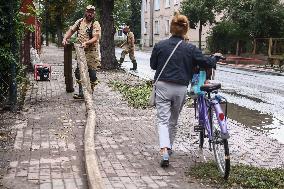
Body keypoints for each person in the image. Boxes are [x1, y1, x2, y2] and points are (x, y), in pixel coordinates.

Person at [150, 13, 222, 167]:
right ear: (185, 29)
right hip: (180, 88)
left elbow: (153, 66)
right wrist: (215, 57)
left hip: (162, 85)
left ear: (171, 28)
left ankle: (164, 150)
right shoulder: (191, 48)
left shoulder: (159, 45)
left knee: (163, 120)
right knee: (173, 120)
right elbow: (206, 62)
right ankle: (169, 148)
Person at [62, 5, 101, 99]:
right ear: (85, 12)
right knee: (78, 72)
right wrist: (65, 38)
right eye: (88, 11)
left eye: (92, 12)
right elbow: (71, 31)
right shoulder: (79, 22)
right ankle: (82, 93)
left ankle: (90, 92)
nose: (90, 14)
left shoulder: (95, 24)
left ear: (94, 13)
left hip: (92, 53)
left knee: (92, 74)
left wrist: (87, 43)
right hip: (81, 52)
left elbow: (96, 37)